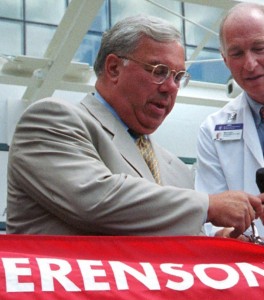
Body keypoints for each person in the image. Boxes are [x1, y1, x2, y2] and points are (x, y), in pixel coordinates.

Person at [6, 15, 264, 236]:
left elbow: (173, 237)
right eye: (159, 71)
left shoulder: (177, 170)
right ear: (114, 68)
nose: (170, 88)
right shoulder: (50, 121)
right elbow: (97, 199)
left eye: (178, 77)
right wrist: (208, 206)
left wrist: (218, 243)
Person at [195, 3, 264, 238]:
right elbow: (211, 217)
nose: (250, 64)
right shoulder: (212, 129)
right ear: (225, 61)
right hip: (247, 266)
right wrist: (230, 235)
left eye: (260, 48)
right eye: (237, 53)